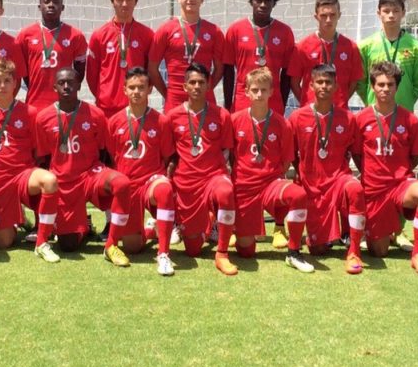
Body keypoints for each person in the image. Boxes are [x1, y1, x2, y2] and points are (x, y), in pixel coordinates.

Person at [35, 67, 134, 265]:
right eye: (61, 82)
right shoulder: (43, 117)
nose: (66, 86)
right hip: (63, 181)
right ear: (54, 86)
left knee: (122, 183)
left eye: (70, 82)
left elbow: (104, 151)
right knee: (68, 245)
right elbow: (44, 159)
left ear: (79, 85)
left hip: (90, 175)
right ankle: (83, 226)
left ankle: (111, 245)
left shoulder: (96, 115)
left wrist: (106, 174)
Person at [0, 58, 61, 262]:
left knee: (49, 181)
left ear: (15, 83)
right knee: (5, 242)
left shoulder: (30, 113)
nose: (2, 86)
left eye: (7, 80)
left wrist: (28, 169)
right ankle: (18, 217)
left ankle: (42, 241)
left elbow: (39, 151)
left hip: (23, 175)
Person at [351, 61, 418, 275]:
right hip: (373, 189)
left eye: (390, 84)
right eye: (380, 84)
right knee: (378, 252)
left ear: (397, 87)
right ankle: (387, 230)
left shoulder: (411, 120)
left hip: (399, 185)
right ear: (372, 87)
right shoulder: (360, 119)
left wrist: (398, 172)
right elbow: (358, 155)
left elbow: (415, 156)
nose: (385, 89)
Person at [287, 64, 365, 274]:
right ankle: (329, 235)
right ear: (310, 85)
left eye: (328, 82)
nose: (324, 86)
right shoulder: (296, 117)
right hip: (311, 185)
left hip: (339, 179)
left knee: (355, 188)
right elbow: (291, 154)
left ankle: (354, 250)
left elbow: (355, 151)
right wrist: (302, 174)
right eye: (319, 82)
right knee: (317, 250)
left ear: (336, 86)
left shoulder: (348, 118)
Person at [230, 68, 309, 271]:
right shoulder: (234, 120)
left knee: (298, 194)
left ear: (272, 91)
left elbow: (286, 162)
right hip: (244, 187)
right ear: (246, 91)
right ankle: (227, 229)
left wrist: (271, 175)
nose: (259, 94)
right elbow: (230, 156)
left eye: (263, 90)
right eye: (254, 90)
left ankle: (294, 252)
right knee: (245, 251)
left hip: (270, 184)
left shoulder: (282, 123)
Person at [167, 63, 239, 275]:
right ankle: (205, 222)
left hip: (213, 176)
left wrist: (222, 173)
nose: (197, 86)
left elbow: (226, 150)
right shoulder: (172, 117)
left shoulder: (222, 115)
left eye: (201, 82)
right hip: (186, 182)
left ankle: (222, 254)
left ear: (209, 86)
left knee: (225, 192)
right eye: (192, 82)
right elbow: (170, 155)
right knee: (192, 250)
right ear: (184, 87)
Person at [106, 67, 177, 275]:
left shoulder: (161, 121)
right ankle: (153, 229)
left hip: (150, 181)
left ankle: (163, 255)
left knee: (164, 189)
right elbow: (111, 157)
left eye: (141, 87)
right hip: (127, 185)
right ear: (125, 90)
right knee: (133, 247)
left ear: (150, 90)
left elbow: (168, 157)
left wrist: (167, 181)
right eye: (132, 87)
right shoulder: (114, 122)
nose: (136, 91)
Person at [148, 0, 226, 112]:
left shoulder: (215, 31)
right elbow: (152, 68)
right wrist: (168, 94)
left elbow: (220, 69)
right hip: (175, 99)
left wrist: (205, 88)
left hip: (204, 100)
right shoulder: (165, 30)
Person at [222, 0, 294, 114]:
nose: (263, 5)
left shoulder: (285, 32)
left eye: (268, 1)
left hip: (272, 102)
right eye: (258, 0)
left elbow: (286, 74)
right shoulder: (235, 29)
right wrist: (227, 105)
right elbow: (228, 71)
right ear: (251, 2)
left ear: (274, 3)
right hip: (242, 101)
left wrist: (282, 104)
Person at [87, 0, 154, 118]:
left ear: (136, 1)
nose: (125, 4)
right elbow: (92, 75)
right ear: (112, 1)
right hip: (106, 108)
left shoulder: (147, 34)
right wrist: (105, 95)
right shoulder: (99, 35)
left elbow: (151, 71)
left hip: (137, 108)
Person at [356, 0, 418, 113]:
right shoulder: (364, 46)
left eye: (396, 11)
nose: (391, 15)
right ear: (378, 13)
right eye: (386, 11)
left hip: (403, 112)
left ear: (403, 13)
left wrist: (406, 99)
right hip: (374, 112)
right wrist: (370, 100)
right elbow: (361, 82)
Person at [289, 0, 363, 110]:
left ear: (339, 15)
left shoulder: (351, 47)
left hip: (339, 112)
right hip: (311, 112)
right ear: (316, 17)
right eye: (323, 15)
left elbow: (354, 82)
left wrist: (341, 102)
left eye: (332, 15)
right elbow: (294, 82)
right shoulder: (302, 47)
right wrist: (307, 103)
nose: (328, 20)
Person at [16, 0, 88, 110]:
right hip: (35, 103)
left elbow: (79, 71)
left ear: (62, 7)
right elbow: (23, 71)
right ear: (40, 7)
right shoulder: (25, 34)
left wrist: (68, 90)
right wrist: (34, 85)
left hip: (64, 104)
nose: (51, 5)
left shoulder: (75, 35)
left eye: (55, 2)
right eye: (46, 1)